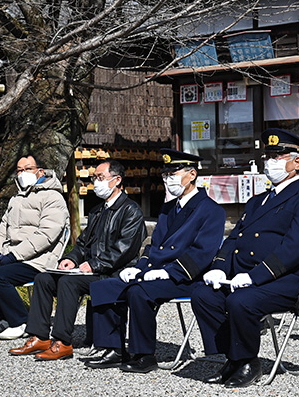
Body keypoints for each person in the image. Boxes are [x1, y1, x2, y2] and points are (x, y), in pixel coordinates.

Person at [194, 129, 299, 388]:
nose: (269, 162)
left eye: (277, 157)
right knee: (203, 295)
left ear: (296, 162)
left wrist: (255, 277)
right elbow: (234, 238)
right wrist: (220, 267)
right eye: (268, 156)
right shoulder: (257, 201)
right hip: (244, 274)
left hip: (285, 278)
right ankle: (231, 357)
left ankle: (247, 361)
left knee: (241, 301)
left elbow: (294, 249)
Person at [85, 149, 225, 373]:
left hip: (186, 276)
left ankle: (144, 354)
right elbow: (154, 245)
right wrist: (139, 267)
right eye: (166, 174)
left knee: (139, 292)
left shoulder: (210, 210)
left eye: (173, 173)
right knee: (103, 286)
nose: (168, 179)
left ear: (192, 174)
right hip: (156, 271)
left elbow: (202, 253)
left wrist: (169, 272)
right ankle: (113, 348)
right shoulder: (170, 208)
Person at [8, 160, 146, 360]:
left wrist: (94, 265)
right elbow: (82, 243)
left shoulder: (131, 211)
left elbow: (124, 250)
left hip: (113, 272)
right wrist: (71, 259)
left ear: (117, 180)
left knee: (69, 283)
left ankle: (62, 341)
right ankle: (39, 336)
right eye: (94, 178)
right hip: (90, 270)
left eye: (100, 178)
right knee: (44, 279)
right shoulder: (97, 210)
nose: (95, 183)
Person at [0, 155, 69, 341]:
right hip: (12, 256)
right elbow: (1, 231)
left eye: (28, 169)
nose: (23, 173)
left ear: (40, 171)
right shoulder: (17, 198)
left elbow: (46, 235)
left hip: (39, 259)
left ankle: (21, 321)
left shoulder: (53, 197)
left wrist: (14, 255)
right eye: (19, 170)